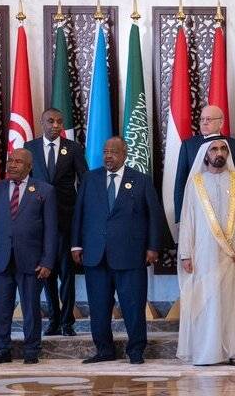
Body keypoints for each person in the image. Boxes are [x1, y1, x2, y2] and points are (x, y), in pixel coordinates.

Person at [71, 137, 163, 365]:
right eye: (105, 151)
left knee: (133, 305)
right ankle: (104, 350)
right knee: (99, 306)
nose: (108, 156)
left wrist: (153, 247)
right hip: (95, 254)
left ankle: (136, 350)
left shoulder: (140, 180)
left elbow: (154, 216)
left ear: (125, 154)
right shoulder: (90, 179)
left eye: (113, 152)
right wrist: (76, 244)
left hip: (131, 255)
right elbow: (79, 213)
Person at [177, 138, 235, 366]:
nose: (219, 152)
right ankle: (207, 351)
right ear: (205, 154)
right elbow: (188, 220)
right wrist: (186, 253)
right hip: (204, 255)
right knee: (207, 302)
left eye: (223, 148)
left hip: (234, 255)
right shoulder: (195, 183)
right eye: (214, 149)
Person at [0, 148, 58, 365]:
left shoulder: (45, 190)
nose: (12, 165)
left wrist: (47, 260)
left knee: (31, 308)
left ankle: (31, 349)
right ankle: (0, 350)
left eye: (18, 162)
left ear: (29, 166)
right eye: (10, 160)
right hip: (1, 259)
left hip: (32, 261)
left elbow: (51, 230)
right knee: (1, 308)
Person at [26, 107, 88, 337]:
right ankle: (52, 319)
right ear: (42, 123)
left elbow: (85, 180)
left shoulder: (73, 149)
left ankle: (67, 322)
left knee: (66, 273)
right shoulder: (29, 148)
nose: (55, 125)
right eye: (50, 121)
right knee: (46, 273)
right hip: (39, 222)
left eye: (59, 121)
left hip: (65, 220)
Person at [172, 105, 235, 225]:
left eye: (209, 119)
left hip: (228, 211)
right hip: (197, 210)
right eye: (202, 119)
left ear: (221, 122)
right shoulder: (189, 145)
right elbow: (181, 183)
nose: (204, 123)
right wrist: (181, 217)